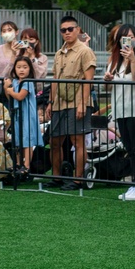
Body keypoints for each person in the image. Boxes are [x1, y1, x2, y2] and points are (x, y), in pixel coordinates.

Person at [48, 15, 96, 191]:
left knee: (78, 140)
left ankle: (78, 179)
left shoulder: (85, 51)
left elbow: (88, 80)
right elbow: (54, 79)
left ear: (78, 30)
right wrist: (50, 102)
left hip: (77, 101)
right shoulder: (59, 53)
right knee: (54, 141)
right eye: (63, 30)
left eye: (70, 29)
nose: (67, 32)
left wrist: (83, 104)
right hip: (59, 102)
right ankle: (56, 177)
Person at [103, 24, 135, 202]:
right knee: (129, 147)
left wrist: (132, 59)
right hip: (120, 109)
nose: (128, 41)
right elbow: (107, 87)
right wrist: (107, 79)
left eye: (131, 37)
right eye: (124, 37)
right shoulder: (113, 60)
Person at [4, 56, 39, 178]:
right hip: (18, 114)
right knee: (17, 139)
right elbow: (11, 97)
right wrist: (7, 88)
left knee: (27, 139)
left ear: (30, 69)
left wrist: (9, 90)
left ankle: (27, 165)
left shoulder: (28, 82)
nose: (21, 70)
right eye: (18, 67)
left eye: (25, 67)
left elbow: (19, 96)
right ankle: (18, 163)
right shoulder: (14, 82)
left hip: (28, 114)